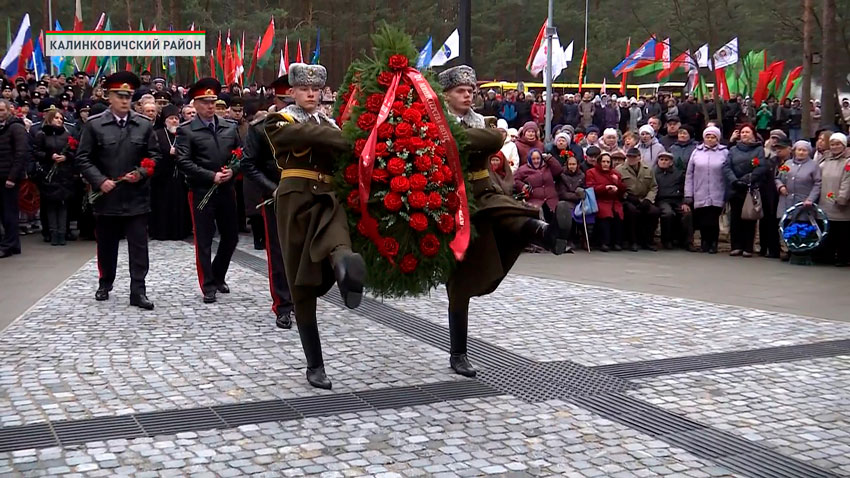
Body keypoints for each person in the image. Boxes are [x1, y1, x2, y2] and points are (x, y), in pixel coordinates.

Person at [438, 65, 567, 378]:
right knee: (461, 280)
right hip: (452, 199)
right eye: (460, 91)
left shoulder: (480, 121)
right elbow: (475, 142)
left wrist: (490, 136)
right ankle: (458, 353)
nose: (467, 95)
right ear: (446, 95)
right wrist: (490, 135)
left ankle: (549, 234)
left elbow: (492, 143)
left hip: (484, 190)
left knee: (511, 217)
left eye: (471, 90)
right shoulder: (440, 122)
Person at [263, 63, 366, 389]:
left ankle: (348, 273)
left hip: (328, 196)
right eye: (304, 89)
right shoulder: (279, 120)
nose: (311, 93)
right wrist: (340, 136)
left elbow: (347, 147)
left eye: (316, 89)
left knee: (338, 240)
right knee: (300, 284)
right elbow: (301, 134)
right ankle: (315, 364)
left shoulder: (331, 123)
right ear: (291, 91)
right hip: (296, 200)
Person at [75, 72, 160, 308]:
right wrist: (99, 180)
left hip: (136, 197)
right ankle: (105, 282)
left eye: (128, 96)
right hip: (107, 197)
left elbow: (154, 156)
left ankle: (138, 290)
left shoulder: (143, 125)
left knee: (139, 247)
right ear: (109, 97)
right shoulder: (95, 125)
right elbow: (83, 158)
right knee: (106, 245)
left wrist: (141, 173)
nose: (124, 100)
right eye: (119, 96)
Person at [176, 78, 242, 304]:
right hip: (202, 190)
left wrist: (232, 170)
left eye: (213, 101)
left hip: (226, 189)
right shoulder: (187, 131)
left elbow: (240, 154)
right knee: (204, 239)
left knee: (231, 237)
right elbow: (183, 161)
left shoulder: (229, 127)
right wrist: (209, 175)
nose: (210, 106)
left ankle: (218, 274)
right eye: (204, 102)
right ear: (195, 104)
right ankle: (207, 285)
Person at [241, 75, 295, 329]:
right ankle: (283, 305)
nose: (291, 104)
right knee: (278, 252)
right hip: (275, 197)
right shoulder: (260, 129)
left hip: (305, 196)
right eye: (286, 100)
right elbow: (248, 164)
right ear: (277, 99)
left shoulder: (309, 125)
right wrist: (271, 189)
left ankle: (302, 299)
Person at [723, 124, 767, 257]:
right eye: (742, 132)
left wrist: (747, 179)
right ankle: (736, 246)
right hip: (735, 187)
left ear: (753, 134)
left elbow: (761, 166)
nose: (744, 134)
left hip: (750, 188)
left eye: (747, 132)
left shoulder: (759, 149)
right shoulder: (733, 149)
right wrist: (734, 181)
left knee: (749, 218)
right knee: (735, 218)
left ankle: (748, 247)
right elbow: (726, 166)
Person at [32, 110, 75, 245]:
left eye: (61, 118)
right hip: (48, 173)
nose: (59, 120)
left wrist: (66, 157)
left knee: (63, 205)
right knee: (50, 205)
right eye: (56, 118)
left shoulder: (67, 134)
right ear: (50, 119)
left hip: (64, 174)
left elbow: (74, 152)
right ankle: (53, 233)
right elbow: (36, 152)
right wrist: (49, 156)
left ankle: (62, 233)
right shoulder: (42, 134)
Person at [149, 104, 191, 241]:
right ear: (165, 120)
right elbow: (154, 153)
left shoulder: (183, 133)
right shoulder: (158, 134)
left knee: (180, 205)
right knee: (162, 206)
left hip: (180, 176)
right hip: (163, 177)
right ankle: (161, 232)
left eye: (176, 118)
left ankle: (181, 231)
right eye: (171, 118)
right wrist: (168, 153)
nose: (174, 121)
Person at [776, 139, 821, 260]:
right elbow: (778, 178)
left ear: (808, 152)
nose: (801, 152)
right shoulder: (788, 164)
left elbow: (817, 184)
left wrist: (811, 199)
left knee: (801, 226)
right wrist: (780, 186)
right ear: (794, 151)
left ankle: (801, 251)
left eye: (804, 150)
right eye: (799, 150)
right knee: (787, 225)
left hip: (804, 201)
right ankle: (788, 250)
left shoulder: (813, 166)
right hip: (787, 200)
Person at [685, 126, 728, 254]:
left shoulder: (724, 152)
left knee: (714, 218)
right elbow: (689, 174)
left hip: (717, 190)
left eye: (713, 137)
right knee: (703, 218)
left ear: (718, 138)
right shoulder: (696, 152)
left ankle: (713, 242)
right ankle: (704, 242)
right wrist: (688, 193)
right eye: (707, 137)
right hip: (700, 189)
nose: (710, 139)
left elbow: (727, 172)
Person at [815, 132, 850, 266]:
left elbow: (848, 181)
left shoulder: (848, 161)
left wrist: (842, 197)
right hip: (824, 200)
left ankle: (843, 257)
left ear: (844, 145)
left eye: (838, 144)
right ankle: (827, 256)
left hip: (840, 202)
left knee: (842, 231)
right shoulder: (825, 159)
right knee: (827, 229)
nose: (835, 147)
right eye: (832, 144)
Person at [0, 99, 28, 258]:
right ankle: (12, 244)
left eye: (2, 110)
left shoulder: (15, 127)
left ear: (8, 111)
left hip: (9, 177)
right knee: (4, 214)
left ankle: (9, 245)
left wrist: (12, 177)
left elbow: (21, 153)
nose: (0, 113)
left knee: (9, 213)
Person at [618, 147, 660, 251]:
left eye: (634, 157)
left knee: (654, 212)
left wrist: (648, 199)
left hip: (644, 198)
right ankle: (633, 241)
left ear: (639, 157)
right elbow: (618, 187)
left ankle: (648, 241)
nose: (631, 159)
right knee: (632, 211)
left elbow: (653, 187)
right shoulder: (619, 169)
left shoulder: (648, 169)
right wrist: (627, 196)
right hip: (628, 199)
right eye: (629, 156)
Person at [585, 152, 626, 251]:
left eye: (608, 162)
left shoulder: (615, 173)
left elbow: (623, 189)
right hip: (599, 200)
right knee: (605, 216)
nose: (606, 164)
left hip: (614, 200)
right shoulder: (591, 172)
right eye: (603, 161)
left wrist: (617, 185)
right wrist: (605, 188)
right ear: (599, 162)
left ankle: (617, 242)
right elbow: (590, 187)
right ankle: (604, 242)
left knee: (618, 215)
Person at [514, 148, 563, 224]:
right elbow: (515, 180)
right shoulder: (523, 169)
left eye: (538, 158)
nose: (536, 161)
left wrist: (549, 158)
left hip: (551, 202)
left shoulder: (547, 166)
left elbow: (559, 170)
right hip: (535, 203)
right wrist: (523, 186)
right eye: (533, 159)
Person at [655, 151, 690, 250]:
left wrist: (685, 202)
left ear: (671, 162)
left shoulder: (678, 173)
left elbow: (684, 188)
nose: (663, 162)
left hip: (677, 200)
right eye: (661, 160)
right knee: (667, 213)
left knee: (686, 213)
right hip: (661, 200)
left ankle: (687, 242)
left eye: (666, 160)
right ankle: (666, 241)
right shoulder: (653, 173)